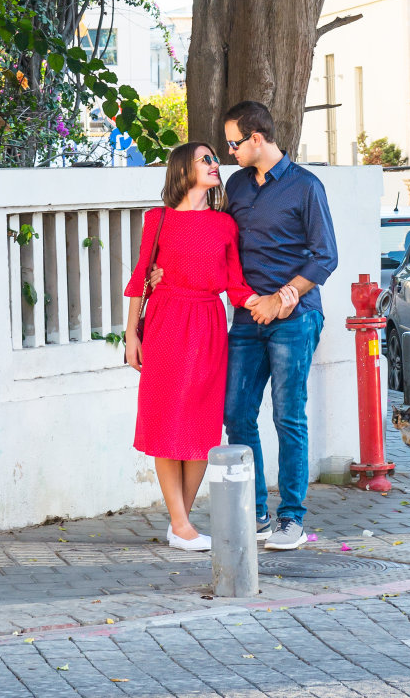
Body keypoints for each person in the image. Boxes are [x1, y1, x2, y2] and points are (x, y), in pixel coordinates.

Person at [123, 141, 255, 553]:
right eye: (207, 159)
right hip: (165, 321)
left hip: (208, 323)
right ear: (184, 169)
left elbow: (235, 282)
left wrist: (272, 302)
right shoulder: (157, 219)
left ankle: (183, 522)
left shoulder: (224, 225)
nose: (217, 164)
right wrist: (131, 336)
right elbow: (141, 278)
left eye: (216, 158)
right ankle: (179, 525)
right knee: (166, 421)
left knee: (201, 424)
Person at [222, 99, 339, 552]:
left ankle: (293, 519)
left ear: (257, 138)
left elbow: (325, 255)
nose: (229, 150)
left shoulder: (306, 186)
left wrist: (282, 298)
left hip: (296, 317)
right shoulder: (236, 186)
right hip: (248, 316)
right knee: (236, 413)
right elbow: (220, 243)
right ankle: (256, 514)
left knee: (288, 415)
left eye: (234, 142)